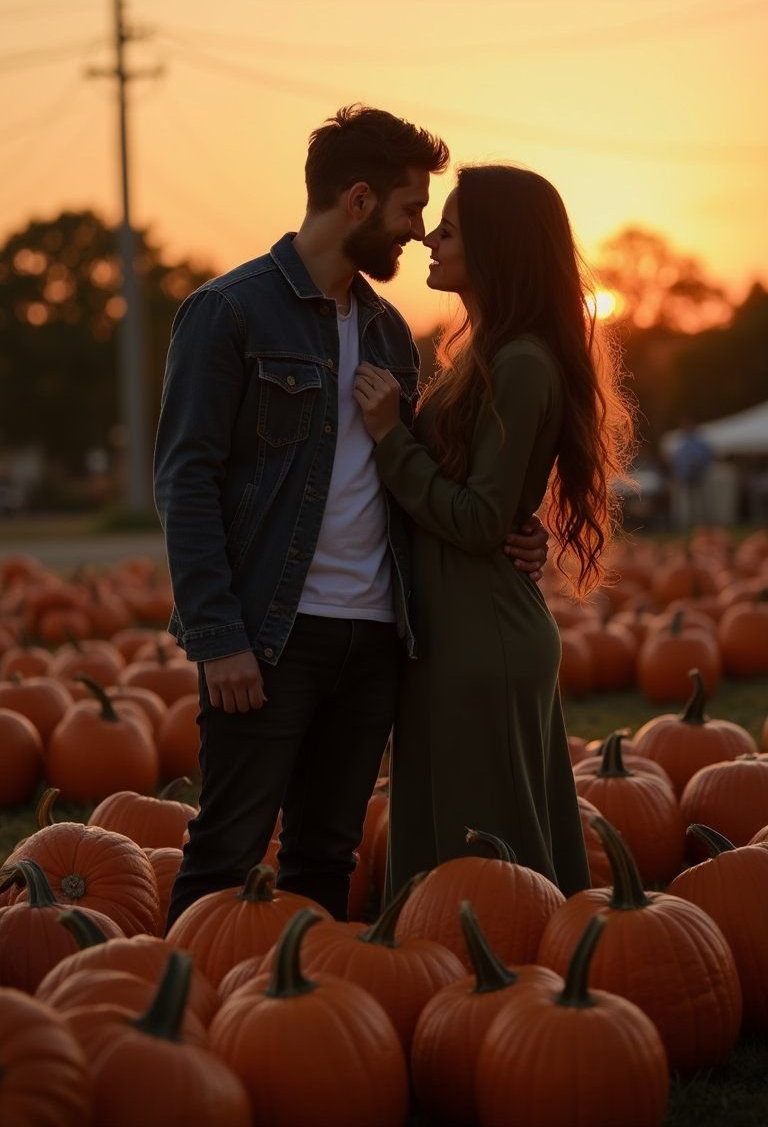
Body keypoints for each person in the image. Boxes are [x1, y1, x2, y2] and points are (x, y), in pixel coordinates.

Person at [154, 108, 549, 928]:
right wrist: (218, 636)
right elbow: (185, 482)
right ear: (360, 201)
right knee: (226, 850)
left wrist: (517, 528)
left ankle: (300, 1001)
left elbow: (420, 476)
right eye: (411, 209)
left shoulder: (388, 332)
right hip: (271, 635)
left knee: (327, 854)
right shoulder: (229, 312)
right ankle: (187, 1002)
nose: (419, 231)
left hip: (376, 638)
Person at [353, 165, 634, 898]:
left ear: (496, 246)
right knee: (458, 857)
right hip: (457, 631)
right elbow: (491, 502)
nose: (429, 239)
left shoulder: (521, 363)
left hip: (483, 642)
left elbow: (479, 520)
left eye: (449, 229)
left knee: (489, 874)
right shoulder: (483, 356)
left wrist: (389, 437)